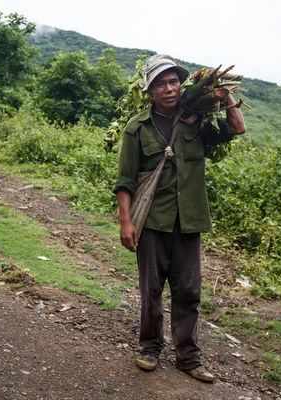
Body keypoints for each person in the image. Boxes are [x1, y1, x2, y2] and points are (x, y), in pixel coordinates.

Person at [113, 54, 246, 383]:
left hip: (189, 221)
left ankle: (189, 357)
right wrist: (126, 222)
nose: (169, 89)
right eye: (160, 83)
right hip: (153, 222)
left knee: (188, 291)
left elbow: (238, 127)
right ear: (149, 90)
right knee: (151, 290)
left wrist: (223, 93)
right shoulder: (137, 128)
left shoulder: (197, 122)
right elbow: (125, 181)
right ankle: (150, 348)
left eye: (173, 82)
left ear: (181, 85)